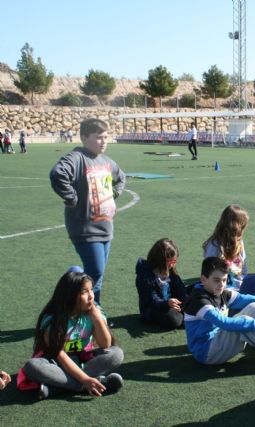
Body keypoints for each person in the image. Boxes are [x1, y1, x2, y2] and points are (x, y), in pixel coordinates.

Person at [49, 118, 126, 304]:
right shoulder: (77, 158)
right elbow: (57, 173)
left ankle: (89, 306)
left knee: (96, 275)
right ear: (84, 138)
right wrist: (71, 197)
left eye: (106, 137)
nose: (104, 141)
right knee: (96, 272)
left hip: (106, 227)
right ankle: (90, 310)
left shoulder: (107, 161)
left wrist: (113, 194)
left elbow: (121, 177)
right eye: (98, 137)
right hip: (85, 228)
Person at [21, 270, 124, 400]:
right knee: (32, 366)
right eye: (84, 292)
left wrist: (97, 317)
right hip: (57, 364)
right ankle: (92, 384)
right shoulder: (52, 319)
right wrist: (85, 379)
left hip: (85, 360)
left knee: (116, 353)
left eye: (91, 290)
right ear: (70, 296)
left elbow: (105, 344)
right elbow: (60, 355)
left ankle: (56, 388)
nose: (91, 296)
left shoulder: (93, 311)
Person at [183, 257, 255, 365]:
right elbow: (225, 323)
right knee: (246, 322)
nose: (221, 285)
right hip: (207, 353)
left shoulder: (221, 292)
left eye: (224, 280)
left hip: (219, 340)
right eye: (216, 280)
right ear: (203, 279)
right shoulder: (199, 300)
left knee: (254, 306)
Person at [135, 238, 188, 329]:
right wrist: (167, 303)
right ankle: (187, 317)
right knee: (173, 319)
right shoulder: (145, 276)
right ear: (161, 261)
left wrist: (185, 301)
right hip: (154, 309)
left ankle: (187, 315)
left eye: (175, 261)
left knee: (197, 288)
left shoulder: (170, 269)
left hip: (170, 302)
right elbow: (153, 300)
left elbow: (180, 288)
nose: (173, 264)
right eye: (171, 262)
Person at [202, 204, 249, 289]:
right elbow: (209, 271)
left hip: (238, 289)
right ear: (235, 226)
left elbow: (244, 269)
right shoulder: (214, 245)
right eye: (242, 226)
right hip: (219, 289)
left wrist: (244, 285)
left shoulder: (239, 243)